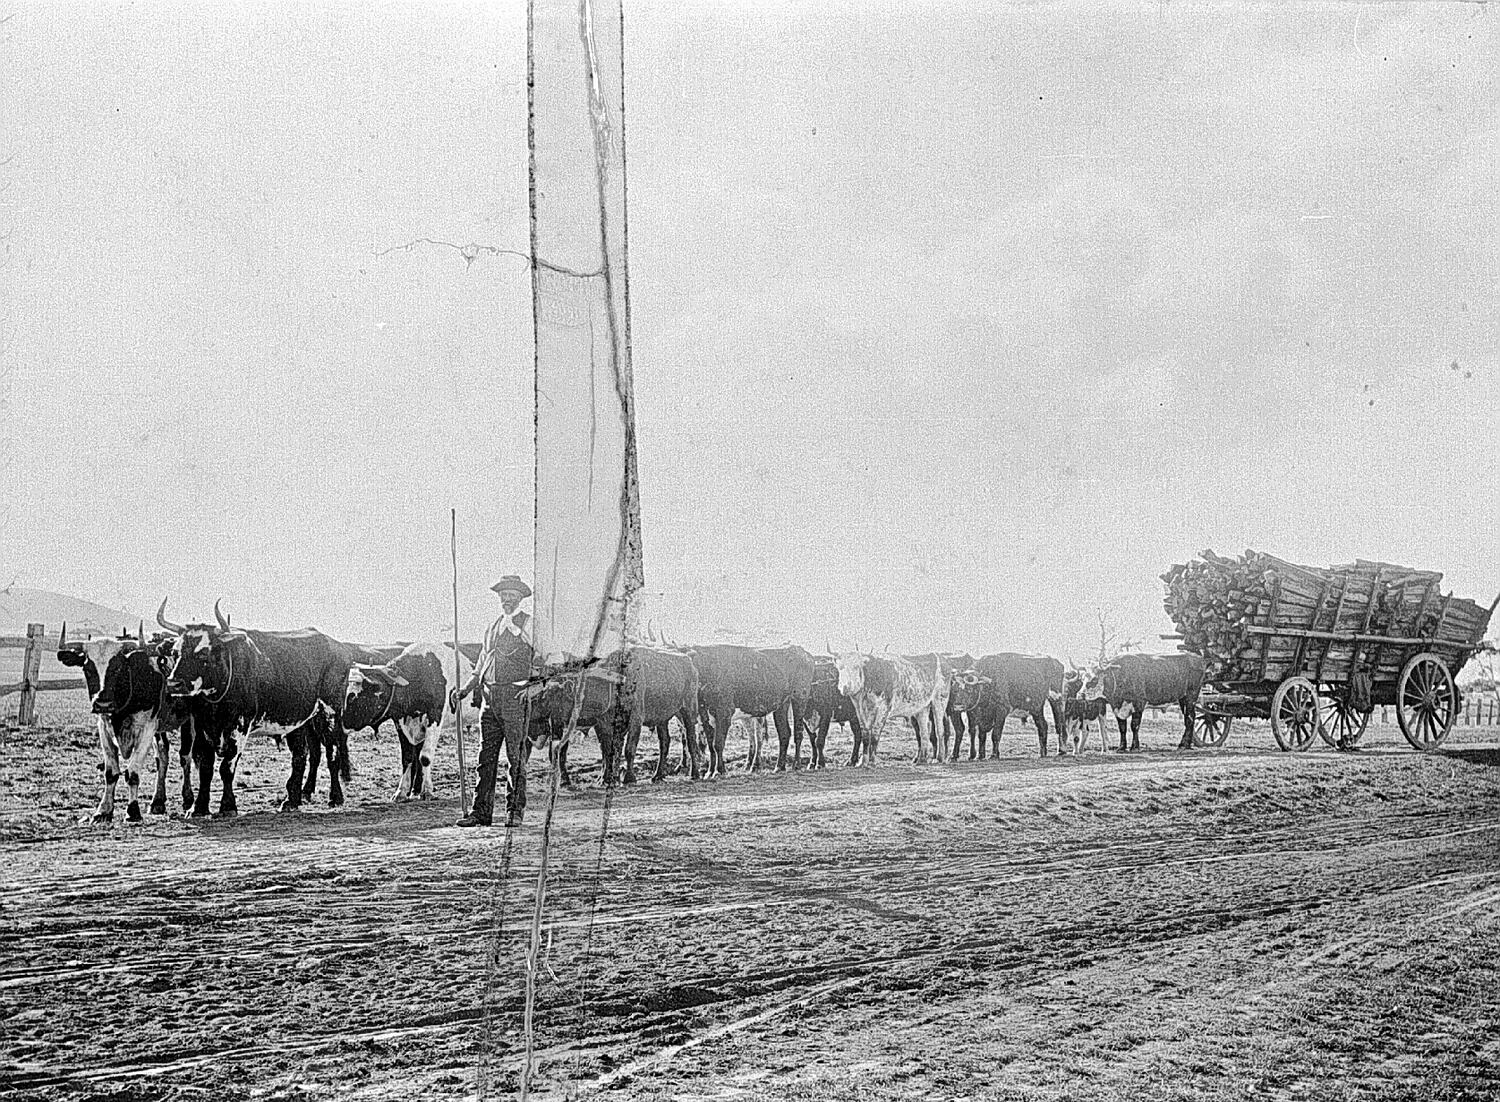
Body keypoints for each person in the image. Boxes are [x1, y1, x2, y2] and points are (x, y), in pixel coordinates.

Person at [454, 575, 535, 828]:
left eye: (511, 595)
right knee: (485, 757)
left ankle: (514, 811)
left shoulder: (530, 625)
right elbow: (481, 665)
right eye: (503, 595)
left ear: (520, 598)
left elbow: (543, 656)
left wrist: (534, 687)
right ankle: (481, 813)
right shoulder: (492, 627)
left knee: (516, 757)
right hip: (489, 699)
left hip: (515, 697)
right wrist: (465, 690)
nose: (506, 599)